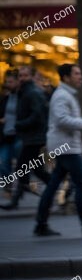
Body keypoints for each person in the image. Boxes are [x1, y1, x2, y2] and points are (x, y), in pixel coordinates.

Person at [34, 64, 82, 237]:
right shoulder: (62, 95)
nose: (80, 76)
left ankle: (41, 223)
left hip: (65, 145)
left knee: (53, 185)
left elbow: (66, 118)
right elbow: (61, 119)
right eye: (76, 74)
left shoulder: (66, 94)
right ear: (66, 77)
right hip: (65, 147)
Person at [3, 66, 51, 210]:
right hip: (30, 137)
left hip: (35, 137)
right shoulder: (24, 92)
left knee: (22, 168)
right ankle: (19, 197)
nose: (22, 78)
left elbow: (37, 116)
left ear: (31, 76)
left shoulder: (32, 93)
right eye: (21, 76)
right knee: (33, 169)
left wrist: (19, 124)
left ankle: (17, 199)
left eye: (25, 76)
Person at [0, 71, 21, 204]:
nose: (8, 84)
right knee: (3, 163)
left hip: (19, 136)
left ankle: (18, 192)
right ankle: (9, 187)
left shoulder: (22, 97)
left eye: (11, 82)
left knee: (22, 165)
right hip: (6, 136)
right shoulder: (5, 98)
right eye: (7, 82)